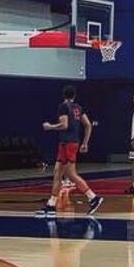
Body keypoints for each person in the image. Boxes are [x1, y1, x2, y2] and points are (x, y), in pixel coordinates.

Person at [38, 85, 101, 218]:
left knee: (71, 174)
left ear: (63, 95)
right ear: (74, 95)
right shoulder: (78, 107)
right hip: (68, 143)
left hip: (68, 143)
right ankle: (51, 204)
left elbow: (64, 125)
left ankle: (93, 197)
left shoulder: (63, 107)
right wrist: (85, 142)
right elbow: (88, 125)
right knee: (57, 172)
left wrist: (50, 127)